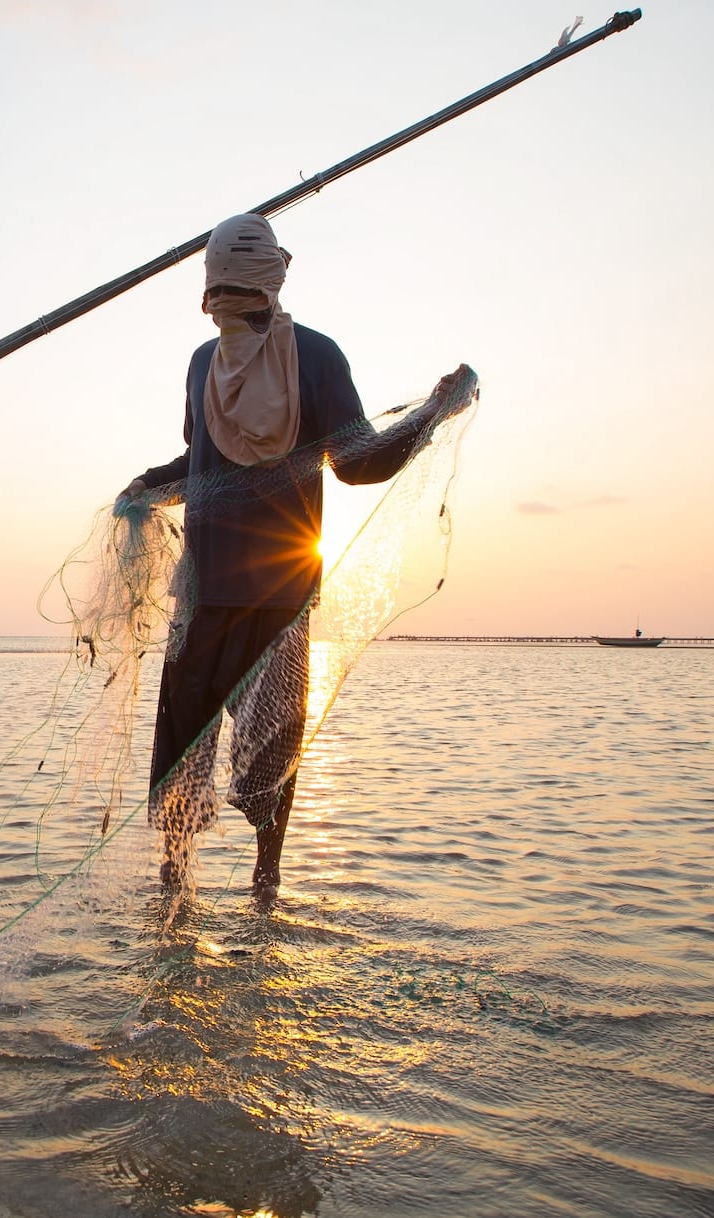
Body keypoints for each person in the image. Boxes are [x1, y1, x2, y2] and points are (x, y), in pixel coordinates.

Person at [118, 213, 465, 893]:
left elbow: (346, 463)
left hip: (249, 602)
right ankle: (258, 893)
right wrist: (147, 486)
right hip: (238, 599)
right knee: (225, 756)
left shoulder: (251, 360)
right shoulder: (251, 360)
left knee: (224, 755)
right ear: (273, 280)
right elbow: (216, 465)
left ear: (214, 287)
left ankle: (187, 902)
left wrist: (430, 414)